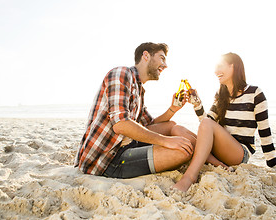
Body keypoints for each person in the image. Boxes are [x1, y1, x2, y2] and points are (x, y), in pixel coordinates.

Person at [74, 42, 197, 179]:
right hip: (107, 159)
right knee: (182, 152)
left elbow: (150, 124)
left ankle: (207, 150)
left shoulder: (138, 88)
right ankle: (207, 153)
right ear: (146, 55)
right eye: (162, 58)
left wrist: (172, 109)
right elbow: (121, 124)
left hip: (127, 145)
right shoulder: (121, 73)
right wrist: (165, 141)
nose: (165, 65)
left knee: (171, 125)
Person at [173, 52, 276, 192]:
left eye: (220, 66)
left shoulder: (255, 93)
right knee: (177, 129)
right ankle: (219, 164)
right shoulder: (220, 95)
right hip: (219, 150)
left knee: (205, 125)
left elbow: (264, 129)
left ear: (233, 66)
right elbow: (208, 124)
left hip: (239, 152)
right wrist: (197, 104)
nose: (216, 71)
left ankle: (189, 177)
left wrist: (273, 162)